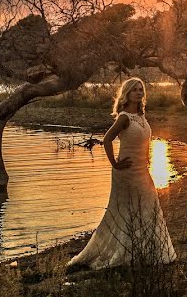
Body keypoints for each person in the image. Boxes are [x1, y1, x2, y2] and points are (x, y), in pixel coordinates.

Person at [67, 78, 176, 270]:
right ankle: (126, 252)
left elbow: (144, 141)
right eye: (134, 90)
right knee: (129, 210)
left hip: (142, 170)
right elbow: (107, 139)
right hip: (126, 171)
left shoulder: (141, 116)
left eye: (141, 89)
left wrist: (148, 157)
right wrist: (114, 164)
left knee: (148, 205)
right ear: (127, 94)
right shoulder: (124, 117)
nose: (139, 92)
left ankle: (146, 250)